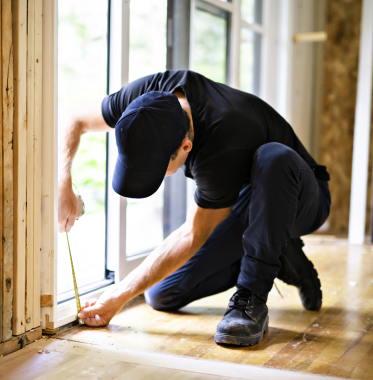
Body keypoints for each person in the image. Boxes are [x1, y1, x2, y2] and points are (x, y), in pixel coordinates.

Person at [58, 70, 331, 346]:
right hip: (247, 197)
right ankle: (278, 254)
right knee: (162, 294)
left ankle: (252, 299)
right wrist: (62, 182)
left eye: (157, 170)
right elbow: (74, 118)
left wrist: (117, 296)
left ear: (186, 146)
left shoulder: (221, 142)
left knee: (274, 157)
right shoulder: (145, 104)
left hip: (300, 196)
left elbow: (192, 234)